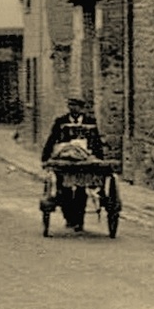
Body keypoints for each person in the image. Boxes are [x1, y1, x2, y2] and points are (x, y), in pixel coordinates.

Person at [41, 96, 104, 231]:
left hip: (83, 159)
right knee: (65, 190)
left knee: (81, 191)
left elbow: (96, 142)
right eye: (70, 105)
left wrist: (99, 159)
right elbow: (52, 139)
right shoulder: (61, 121)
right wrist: (45, 157)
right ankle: (69, 217)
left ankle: (79, 220)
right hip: (65, 159)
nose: (72, 108)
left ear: (81, 108)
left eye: (75, 106)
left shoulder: (90, 121)